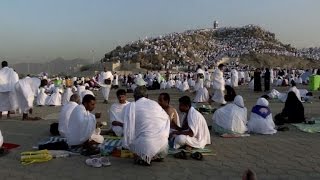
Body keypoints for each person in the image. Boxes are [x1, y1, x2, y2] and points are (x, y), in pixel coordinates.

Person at [123, 86, 170, 165]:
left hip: (146, 144)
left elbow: (128, 129)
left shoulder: (130, 106)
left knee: (131, 140)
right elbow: (166, 119)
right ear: (147, 96)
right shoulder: (154, 103)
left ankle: (144, 157)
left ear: (134, 96)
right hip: (163, 144)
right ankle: (156, 155)